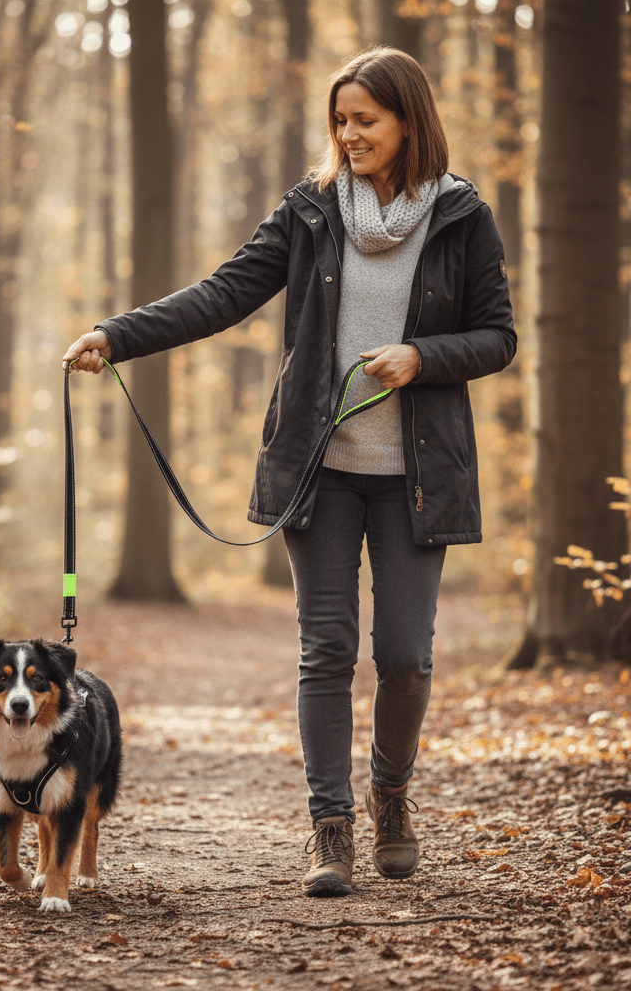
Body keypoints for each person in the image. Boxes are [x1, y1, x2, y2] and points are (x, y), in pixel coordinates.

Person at [64, 46, 517, 897]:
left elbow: (499, 337)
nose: (349, 135)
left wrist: (424, 356)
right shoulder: (312, 210)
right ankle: (330, 825)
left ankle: (389, 792)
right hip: (319, 468)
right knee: (326, 649)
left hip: (419, 475)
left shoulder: (463, 216)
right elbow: (224, 292)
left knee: (407, 658)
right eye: (340, 121)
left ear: (410, 121)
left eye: (366, 121)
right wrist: (118, 334)